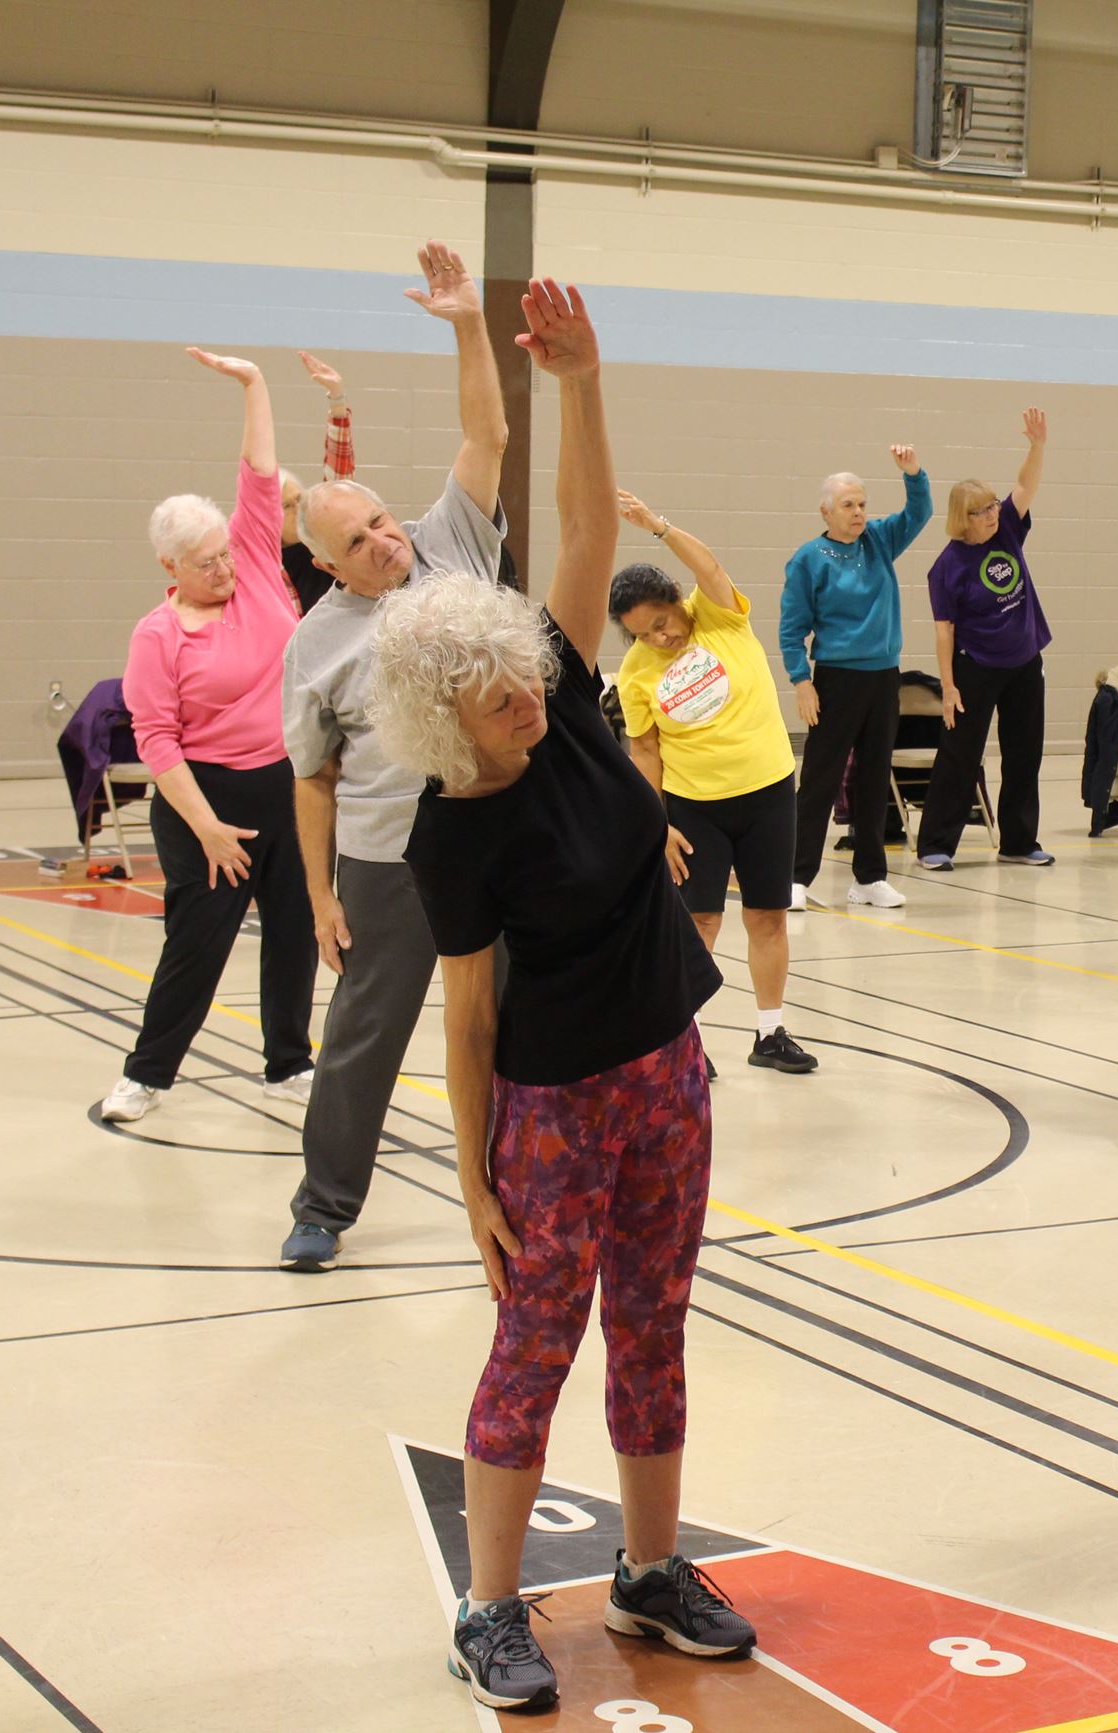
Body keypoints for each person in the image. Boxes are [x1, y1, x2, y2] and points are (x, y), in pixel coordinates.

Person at [371, 280, 753, 1714]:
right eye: (489, 694)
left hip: (670, 1070)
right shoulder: (452, 831)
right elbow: (467, 1018)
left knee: (655, 1324)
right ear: (442, 717)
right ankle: (487, 1607)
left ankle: (651, 1577)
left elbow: (588, 533)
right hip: (551, 1108)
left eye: (519, 675)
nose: (521, 696)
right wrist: (469, 1170)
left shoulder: (577, 708)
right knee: (536, 1340)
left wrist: (582, 381)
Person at [275, 242, 509, 1273]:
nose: (383, 540)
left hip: (501, 833)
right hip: (387, 860)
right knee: (366, 1033)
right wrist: (323, 891)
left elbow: (485, 430)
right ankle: (324, 1204)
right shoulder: (316, 643)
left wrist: (466, 324)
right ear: (324, 565)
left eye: (378, 519)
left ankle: (513, 1191)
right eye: (358, 540)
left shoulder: (448, 538)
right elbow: (312, 773)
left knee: (510, 1023)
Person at [98, 349, 314, 1125]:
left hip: (288, 784)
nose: (224, 567)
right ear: (170, 566)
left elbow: (260, 472)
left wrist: (254, 383)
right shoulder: (158, 635)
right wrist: (208, 827)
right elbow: (157, 741)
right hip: (204, 799)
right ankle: (147, 1075)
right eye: (205, 562)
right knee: (198, 944)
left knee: (296, 931)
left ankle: (290, 1061)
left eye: (225, 551)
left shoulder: (253, 560)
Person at [611, 489, 816, 1075]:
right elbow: (644, 750)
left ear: (677, 603)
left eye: (661, 623)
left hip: (768, 792)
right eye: (642, 635)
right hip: (695, 807)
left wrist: (657, 526)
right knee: (699, 922)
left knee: (767, 916)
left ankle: (770, 1033)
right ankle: (686, 1043)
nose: (658, 639)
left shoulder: (719, 615)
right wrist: (660, 825)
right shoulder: (635, 673)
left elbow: (710, 566)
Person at [783, 446, 931, 910]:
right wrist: (801, 681)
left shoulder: (880, 540)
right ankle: (796, 876)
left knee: (873, 778)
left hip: (883, 678)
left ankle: (869, 878)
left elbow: (920, 511)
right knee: (821, 780)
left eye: (863, 503)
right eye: (848, 505)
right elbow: (792, 630)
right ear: (827, 511)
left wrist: (913, 474)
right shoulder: (809, 559)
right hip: (835, 681)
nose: (859, 512)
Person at [916, 409, 1055, 871]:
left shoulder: (1008, 530)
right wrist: (949, 685)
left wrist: (1036, 447)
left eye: (995, 506)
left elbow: (1027, 487)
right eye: (984, 510)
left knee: (1024, 752)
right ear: (964, 518)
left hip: (1024, 662)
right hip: (975, 667)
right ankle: (935, 844)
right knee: (960, 755)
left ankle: (1018, 841)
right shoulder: (948, 566)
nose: (995, 514)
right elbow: (944, 630)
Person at [276, 350, 356, 614]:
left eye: (300, 498)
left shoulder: (319, 540)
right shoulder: (260, 565)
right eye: (288, 505)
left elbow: (338, 481)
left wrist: (337, 400)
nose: (299, 508)